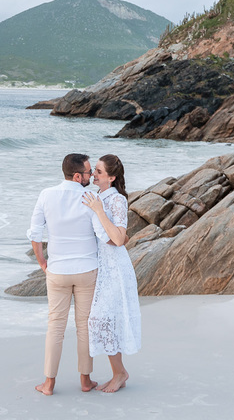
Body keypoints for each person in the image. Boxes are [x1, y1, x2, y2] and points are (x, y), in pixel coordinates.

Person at [26, 153, 102, 396]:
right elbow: (101, 233)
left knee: (55, 327)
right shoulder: (91, 198)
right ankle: (85, 381)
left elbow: (35, 233)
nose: (91, 176)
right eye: (89, 173)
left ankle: (48, 384)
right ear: (77, 176)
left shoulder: (46, 195)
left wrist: (42, 262)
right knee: (84, 326)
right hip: (87, 270)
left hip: (57, 271)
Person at [81, 154, 141, 393]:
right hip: (102, 267)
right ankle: (119, 372)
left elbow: (117, 240)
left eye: (98, 171)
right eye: (93, 170)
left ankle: (120, 373)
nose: (93, 174)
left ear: (111, 177)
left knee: (102, 320)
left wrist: (99, 211)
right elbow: (123, 236)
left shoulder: (116, 200)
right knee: (104, 320)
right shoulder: (98, 197)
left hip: (115, 268)